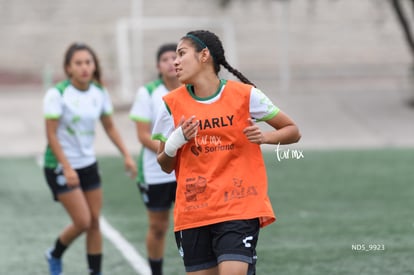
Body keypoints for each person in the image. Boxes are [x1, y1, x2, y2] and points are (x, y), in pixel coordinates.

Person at [152, 30, 301, 275]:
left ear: (204, 56)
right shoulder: (171, 104)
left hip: (239, 207)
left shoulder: (245, 95)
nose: (174, 62)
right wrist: (176, 140)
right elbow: (165, 164)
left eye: (181, 54)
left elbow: (292, 130)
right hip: (194, 211)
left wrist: (265, 137)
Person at [42, 42, 137, 275]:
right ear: (68, 68)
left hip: (88, 164)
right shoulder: (57, 94)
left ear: (94, 66)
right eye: (78, 63)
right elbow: (51, 134)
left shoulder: (99, 92)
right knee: (83, 221)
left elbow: (110, 126)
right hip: (59, 165)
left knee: (94, 222)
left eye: (88, 62)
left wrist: (126, 155)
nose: (84, 67)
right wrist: (67, 167)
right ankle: (54, 253)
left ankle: (95, 271)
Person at [129, 43, 180, 275]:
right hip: (155, 172)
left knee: (189, 225)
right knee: (158, 227)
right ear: (158, 66)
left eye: (175, 57)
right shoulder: (147, 92)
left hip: (185, 170)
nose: (171, 62)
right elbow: (142, 135)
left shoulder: (191, 89)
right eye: (165, 59)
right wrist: (170, 150)